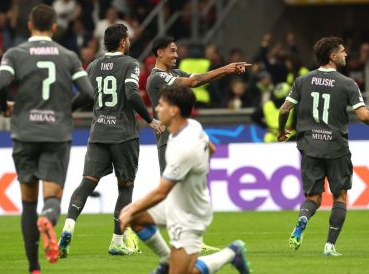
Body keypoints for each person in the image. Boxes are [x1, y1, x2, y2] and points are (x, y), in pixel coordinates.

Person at [0, 4, 94, 274]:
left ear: (29, 25)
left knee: (27, 201)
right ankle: (48, 218)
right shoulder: (68, 55)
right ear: (54, 27)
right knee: (51, 199)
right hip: (56, 134)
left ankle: (34, 267)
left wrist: (5, 107)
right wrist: (65, 109)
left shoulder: (15, 54)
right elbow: (88, 92)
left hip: (24, 133)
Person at [119, 85, 251, 274]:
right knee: (136, 217)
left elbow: (162, 191)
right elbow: (211, 149)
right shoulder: (192, 125)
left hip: (189, 215)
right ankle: (167, 259)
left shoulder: (185, 147)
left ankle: (231, 253)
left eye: (161, 105)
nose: (156, 109)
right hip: (175, 203)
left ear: (174, 111)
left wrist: (131, 207)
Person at [58, 23, 163, 258]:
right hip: (123, 134)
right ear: (123, 42)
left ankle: (68, 226)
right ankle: (117, 241)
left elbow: (84, 96)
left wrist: (66, 111)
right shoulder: (131, 64)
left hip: (98, 134)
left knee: (87, 182)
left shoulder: (94, 65)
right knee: (125, 187)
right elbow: (131, 94)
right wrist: (150, 120)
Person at [277, 36, 369, 256]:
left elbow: (284, 110)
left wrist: (281, 131)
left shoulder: (302, 80)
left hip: (310, 146)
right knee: (339, 197)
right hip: (336, 147)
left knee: (313, 198)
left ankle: (303, 218)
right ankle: (329, 246)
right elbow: (363, 115)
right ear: (332, 56)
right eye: (343, 51)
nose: (346, 54)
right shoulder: (347, 84)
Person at [146, 36, 250, 253]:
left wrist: (226, 71)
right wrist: (228, 67)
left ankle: (189, 240)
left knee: (183, 190)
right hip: (168, 140)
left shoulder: (173, 74)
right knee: (171, 191)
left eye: (176, 51)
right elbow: (192, 83)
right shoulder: (156, 78)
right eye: (172, 51)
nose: (176, 55)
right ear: (159, 53)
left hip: (181, 138)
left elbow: (199, 79)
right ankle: (135, 222)